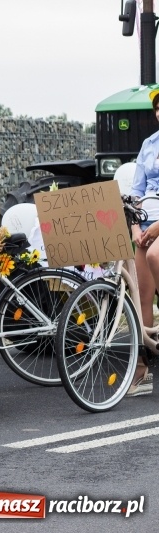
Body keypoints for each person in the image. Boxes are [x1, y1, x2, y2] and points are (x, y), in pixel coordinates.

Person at [125, 90, 159, 397]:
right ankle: (141, 367)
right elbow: (136, 191)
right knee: (141, 298)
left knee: (156, 256)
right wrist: (136, 226)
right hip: (146, 224)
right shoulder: (149, 144)